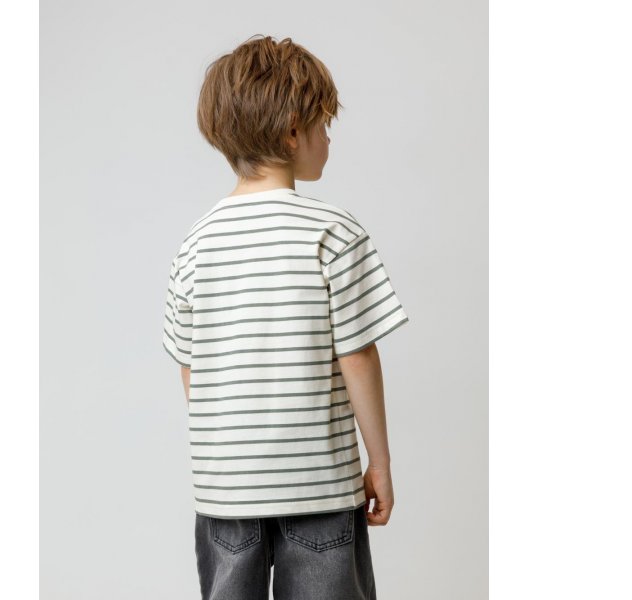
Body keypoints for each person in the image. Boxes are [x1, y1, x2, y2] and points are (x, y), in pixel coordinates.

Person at [161, 34, 409, 600]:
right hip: (320, 488)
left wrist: (235, 456)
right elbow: (358, 355)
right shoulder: (332, 232)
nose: (329, 140)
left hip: (226, 495)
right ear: (294, 131)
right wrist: (380, 463)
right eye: (324, 125)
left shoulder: (195, 245)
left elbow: (191, 370)